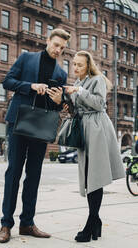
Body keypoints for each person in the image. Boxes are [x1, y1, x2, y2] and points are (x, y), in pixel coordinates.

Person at [0, 28, 70, 243]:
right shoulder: (27, 58)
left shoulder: (61, 74)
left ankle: (27, 223)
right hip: (19, 122)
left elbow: (57, 107)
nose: (58, 50)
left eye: (62, 48)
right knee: (13, 173)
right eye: (56, 45)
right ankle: (5, 224)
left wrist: (59, 100)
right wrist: (31, 86)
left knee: (34, 175)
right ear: (47, 41)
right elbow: (7, 81)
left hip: (41, 127)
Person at [63, 50, 125, 243]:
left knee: (95, 176)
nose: (75, 68)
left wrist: (78, 92)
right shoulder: (76, 83)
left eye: (79, 65)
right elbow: (77, 109)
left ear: (88, 66)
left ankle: (90, 223)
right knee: (89, 178)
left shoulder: (97, 79)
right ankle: (95, 221)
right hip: (84, 129)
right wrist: (67, 104)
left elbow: (99, 104)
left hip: (97, 129)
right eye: (74, 64)